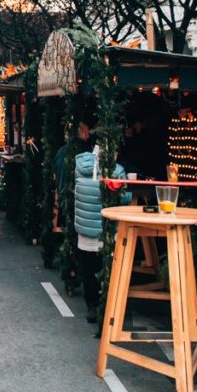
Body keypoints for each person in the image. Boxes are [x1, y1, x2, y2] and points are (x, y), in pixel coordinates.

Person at [75, 123, 130, 323]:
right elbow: (125, 197)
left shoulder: (80, 164)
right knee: (108, 266)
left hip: (85, 227)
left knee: (88, 267)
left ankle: (91, 306)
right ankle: (108, 305)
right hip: (107, 228)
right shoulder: (116, 170)